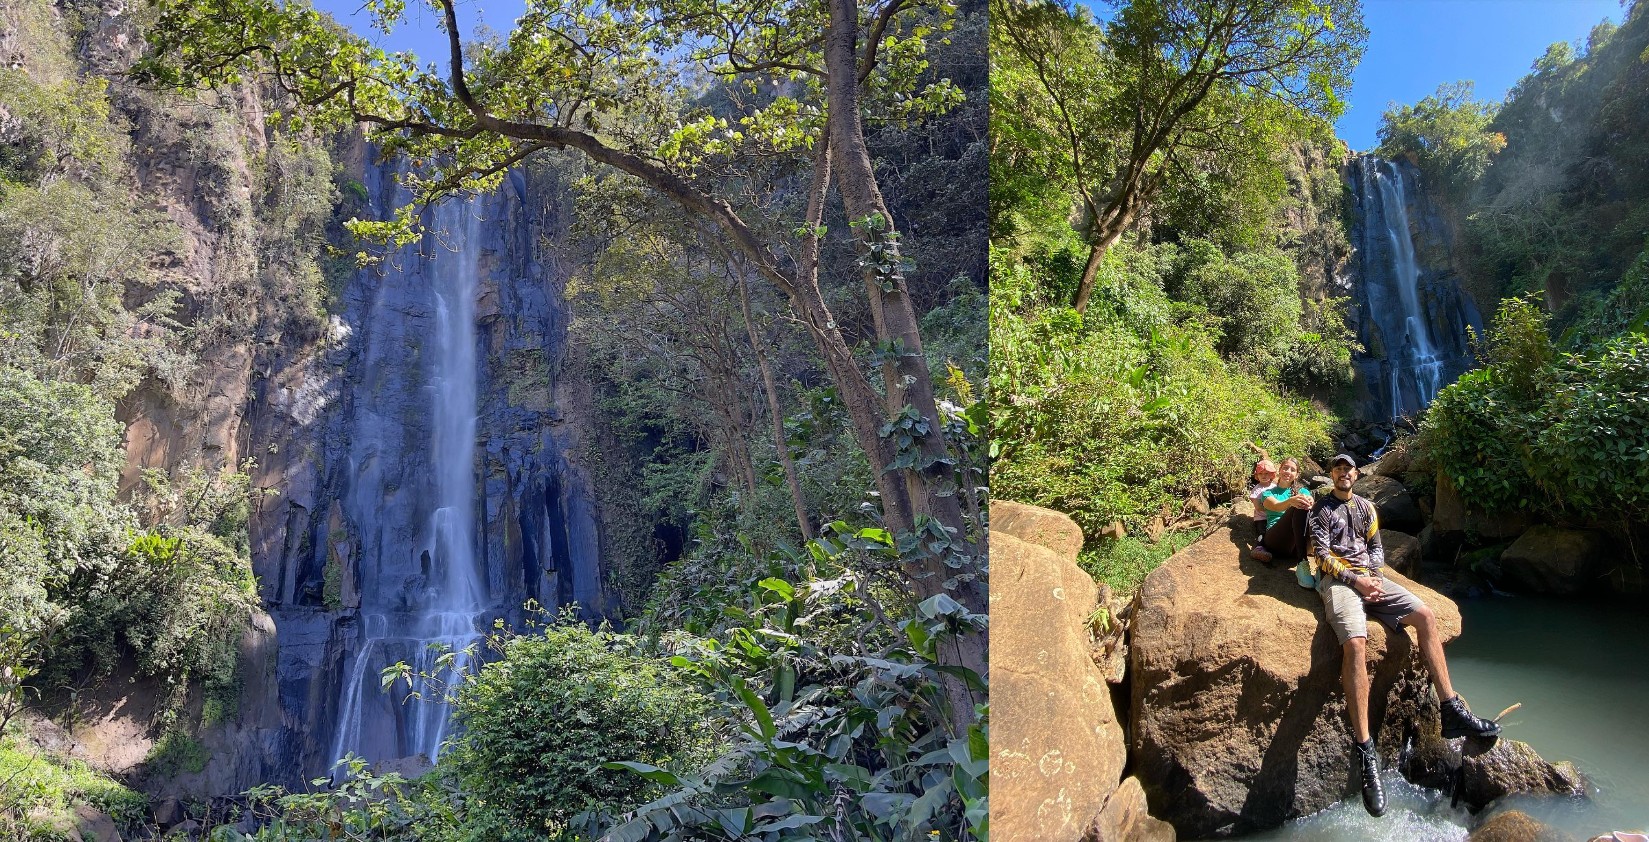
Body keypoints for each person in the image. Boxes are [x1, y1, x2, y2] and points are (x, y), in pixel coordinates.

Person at [1308, 453, 1500, 818]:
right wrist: (1357, 580)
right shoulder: (1322, 509)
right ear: (1331, 475)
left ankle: (1450, 709)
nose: (1343, 473)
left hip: (1373, 581)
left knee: (1426, 615)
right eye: (1337, 469)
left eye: (1348, 468)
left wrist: (1376, 576)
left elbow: (1376, 546)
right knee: (1356, 642)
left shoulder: (1366, 507)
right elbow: (1321, 555)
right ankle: (1366, 750)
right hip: (1341, 583)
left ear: (1356, 473)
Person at [1250, 457, 1311, 562]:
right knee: (1298, 506)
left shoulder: (1303, 491)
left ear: (1297, 475)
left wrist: (1311, 501)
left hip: (1297, 546)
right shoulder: (1268, 493)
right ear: (1280, 470)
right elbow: (1275, 506)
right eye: (1285, 468)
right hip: (1276, 541)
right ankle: (1303, 561)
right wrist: (1290, 502)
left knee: (1309, 506)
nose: (1288, 471)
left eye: (1292, 470)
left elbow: (1310, 503)